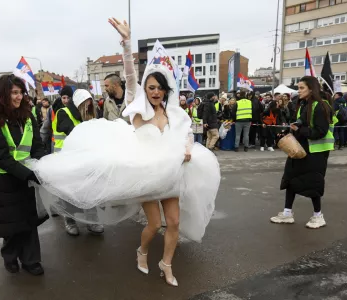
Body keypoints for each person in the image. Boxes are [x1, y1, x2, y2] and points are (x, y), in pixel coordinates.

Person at [30, 17, 219, 287]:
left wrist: (188, 148)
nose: (155, 92)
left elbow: (187, 132)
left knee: (174, 223)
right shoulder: (138, 106)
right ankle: (142, 251)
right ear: (145, 90)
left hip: (172, 172)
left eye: (159, 88)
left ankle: (166, 265)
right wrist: (127, 42)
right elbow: (130, 76)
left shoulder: (174, 112)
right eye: (151, 87)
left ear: (166, 90)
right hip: (146, 173)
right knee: (154, 225)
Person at [0, 74, 47, 275]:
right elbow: (0, 155)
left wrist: (40, 166)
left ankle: (31, 260)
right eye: (14, 93)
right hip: (0, 176)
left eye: (21, 93)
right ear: (3, 94)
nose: (19, 97)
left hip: (24, 173)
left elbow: (37, 145)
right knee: (10, 219)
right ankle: (10, 256)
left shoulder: (27, 115)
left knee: (28, 217)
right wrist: (28, 174)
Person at [271, 76, 334, 229]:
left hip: (315, 153)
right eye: (298, 88)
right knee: (291, 179)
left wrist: (299, 129)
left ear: (311, 89)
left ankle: (318, 216)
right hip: (300, 148)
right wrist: (286, 133)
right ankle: (287, 213)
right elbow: (299, 124)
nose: (298, 91)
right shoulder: (304, 105)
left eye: (301, 88)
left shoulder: (321, 106)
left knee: (313, 183)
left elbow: (320, 131)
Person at [53, 88, 104, 236]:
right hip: (66, 160)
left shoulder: (89, 116)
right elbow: (68, 128)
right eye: (85, 105)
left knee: (89, 191)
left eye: (90, 105)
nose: (88, 108)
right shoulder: (63, 113)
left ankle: (91, 222)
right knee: (70, 193)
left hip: (84, 159)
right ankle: (70, 220)